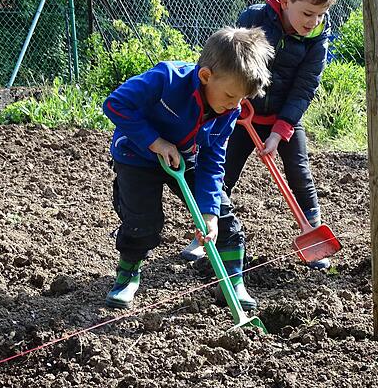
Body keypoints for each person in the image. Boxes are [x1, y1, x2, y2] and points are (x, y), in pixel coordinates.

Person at [179, 0, 338, 270]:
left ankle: (314, 234)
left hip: (284, 116)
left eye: (321, 15)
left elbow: (306, 85)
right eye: (307, 13)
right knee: (223, 171)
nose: (313, 21)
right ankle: (205, 234)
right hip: (242, 112)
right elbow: (239, 64)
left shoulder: (319, 34)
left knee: (298, 171)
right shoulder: (255, 17)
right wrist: (237, 101)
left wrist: (281, 130)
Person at [103, 27, 273, 311]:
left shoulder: (228, 110)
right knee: (143, 223)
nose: (235, 105)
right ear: (206, 76)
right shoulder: (166, 78)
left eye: (241, 99)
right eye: (230, 96)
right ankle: (127, 275)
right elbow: (116, 105)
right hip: (135, 154)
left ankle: (232, 281)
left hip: (185, 157)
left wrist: (209, 213)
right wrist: (155, 142)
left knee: (224, 218)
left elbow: (213, 159)